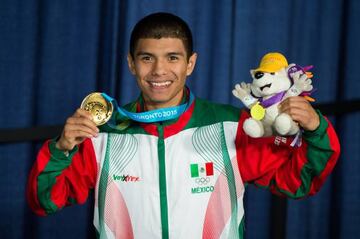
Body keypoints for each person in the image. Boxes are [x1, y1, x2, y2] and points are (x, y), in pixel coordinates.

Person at [27, 12, 340, 239]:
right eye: (147, 58)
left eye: (173, 58)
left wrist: (316, 130)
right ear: (131, 63)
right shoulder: (102, 133)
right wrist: (61, 149)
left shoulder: (232, 127)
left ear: (190, 63)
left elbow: (298, 181)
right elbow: (44, 201)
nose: (159, 70)